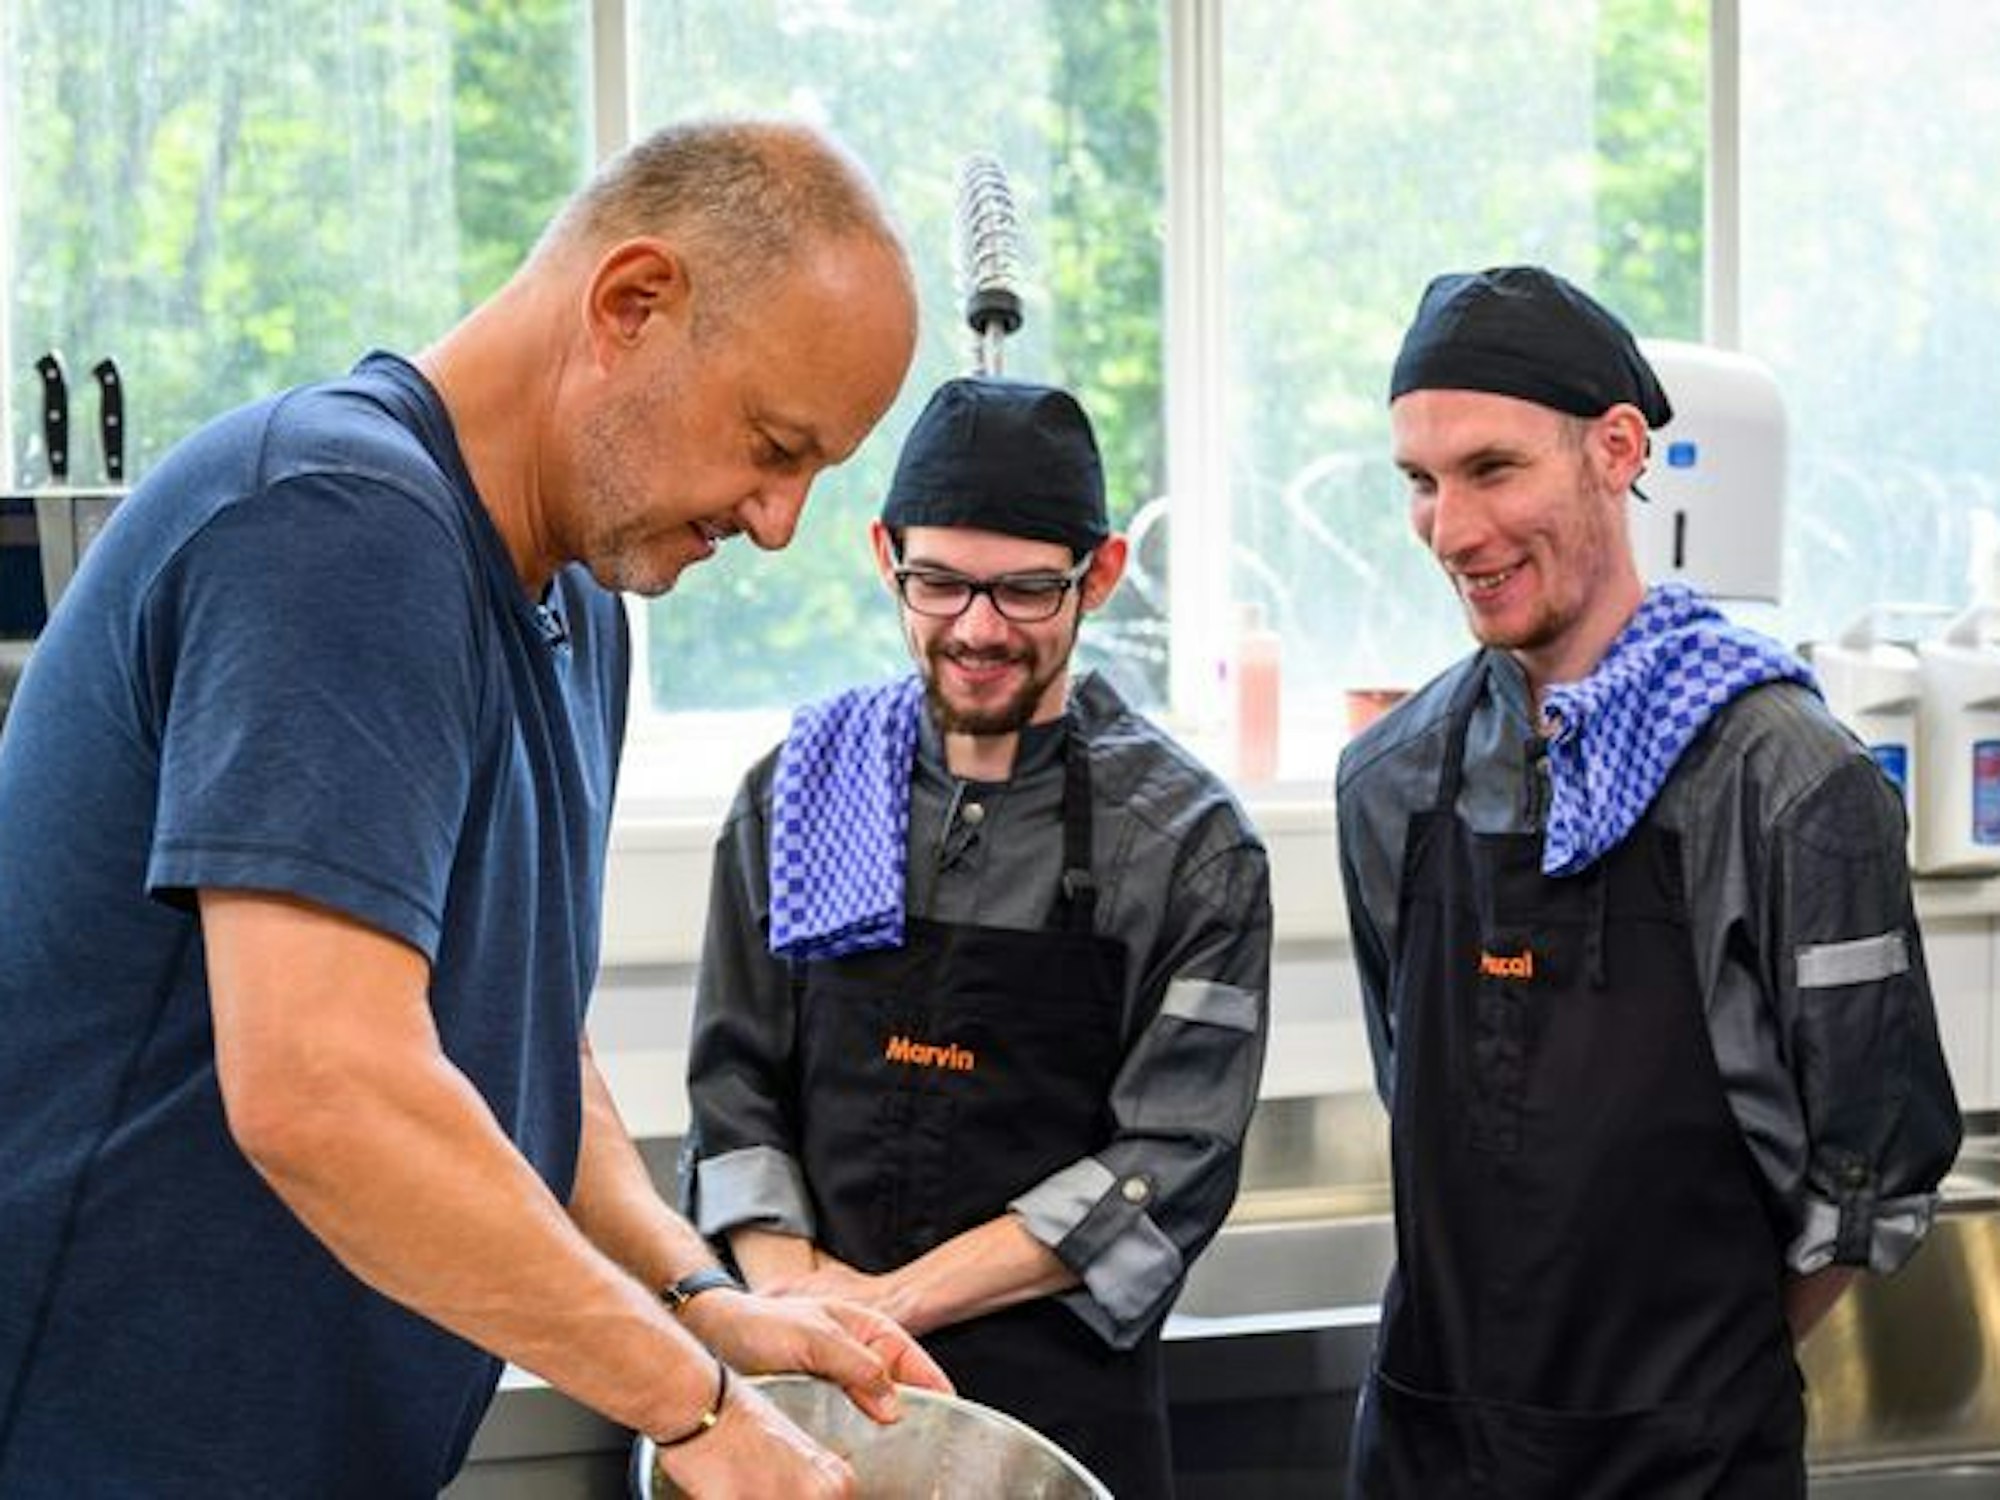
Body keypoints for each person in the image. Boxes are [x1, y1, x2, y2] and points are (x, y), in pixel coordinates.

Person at [0, 118, 954, 1500]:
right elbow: (327, 1089)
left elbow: (517, 1041)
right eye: (771, 445)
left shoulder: (577, 598)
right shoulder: (339, 526)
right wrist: (700, 1413)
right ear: (632, 306)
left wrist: (698, 1299)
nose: (778, 523)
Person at [1335, 264, 1963, 1498]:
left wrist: (1670, 1395)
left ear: (1615, 450)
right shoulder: (1390, 784)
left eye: (1492, 469)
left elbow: (1870, 1177)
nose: (1452, 531)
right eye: (1420, 481)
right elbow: (1411, 1089)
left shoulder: (1787, 784)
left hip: (1680, 1466)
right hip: (1427, 1455)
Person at [683, 375, 1273, 1499]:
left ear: (1097, 575)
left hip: (1054, 1424)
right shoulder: (800, 794)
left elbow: (1169, 1163)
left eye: (1024, 592)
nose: (977, 630)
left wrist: (881, 1307)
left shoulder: (1188, 848)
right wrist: (788, 1285)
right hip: (807, 1408)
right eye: (939, 583)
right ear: (883, 555)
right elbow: (732, 1085)